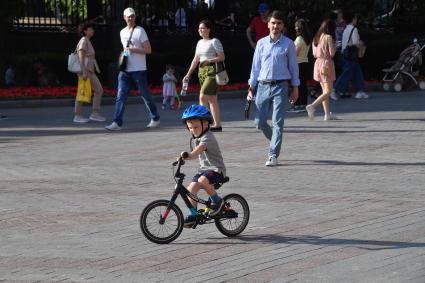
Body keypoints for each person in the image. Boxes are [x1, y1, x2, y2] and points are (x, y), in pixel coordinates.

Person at [247, 10, 299, 167]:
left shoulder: (288, 44)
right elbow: (255, 68)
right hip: (262, 86)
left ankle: (273, 154)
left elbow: (293, 67)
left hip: (281, 87)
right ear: (268, 24)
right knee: (259, 122)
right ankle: (276, 139)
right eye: (273, 22)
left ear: (283, 26)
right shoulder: (261, 43)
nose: (276, 26)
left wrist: (295, 88)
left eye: (279, 23)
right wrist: (251, 87)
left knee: (278, 122)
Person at [105, 7, 160, 131]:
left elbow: (148, 50)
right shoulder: (122, 32)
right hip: (125, 70)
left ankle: (155, 118)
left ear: (135, 17)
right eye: (128, 16)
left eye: (133, 16)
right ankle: (117, 122)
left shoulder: (140, 31)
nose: (131, 18)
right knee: (121, 96)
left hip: (139, 69)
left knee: (145, 95)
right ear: (124, 17)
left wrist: (133, 50)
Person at [179, 104, 226, 227]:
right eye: (190, 127)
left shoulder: (207, 137)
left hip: (217, 170)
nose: (192, 130)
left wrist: (188, 155)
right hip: (204, 171)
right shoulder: (196, 138)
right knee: (191, 188)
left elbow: (196, 152)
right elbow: (192, 154)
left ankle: (218, 202)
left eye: (195, 126)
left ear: (205, 124)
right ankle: (193, 214)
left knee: (203, 180)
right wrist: (181, 159)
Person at [182, 20, 225, 132]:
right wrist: (188, 74)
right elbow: (196, 59)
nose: (200, 30)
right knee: (212, 99)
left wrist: (208, 60)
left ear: (208, 29)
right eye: (199, 28)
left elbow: (222, 57)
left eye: (202, 28)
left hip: (212, 71)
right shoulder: (199, 43)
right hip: (201, 72)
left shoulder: (214, 41)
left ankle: (204, 123)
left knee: (202, 96)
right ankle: (217, 125)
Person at [73, 22, 106, 123]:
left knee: (97, 90)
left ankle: (93, 113)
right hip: (86, 70)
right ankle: (78, 115)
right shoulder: (84, 40)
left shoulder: (87, 40)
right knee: (84, 91)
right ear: (85, 31)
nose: (93, 31)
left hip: (89, 70)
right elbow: (81, 54)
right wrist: (83, 70)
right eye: (91, 29)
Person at [305, 19, 337, 121]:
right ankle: (312, 106)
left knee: (324, 90)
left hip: (318, 63)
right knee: (329, 90)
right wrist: (335, 46)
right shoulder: (328, 37)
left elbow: (314, 54)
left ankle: (327, 114)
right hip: (326, 64)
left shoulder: (317, 37)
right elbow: (332, 53)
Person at [332, 12, 368, 100]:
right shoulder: (354, 29)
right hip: (352, 54)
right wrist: (361, 43)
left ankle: (360, 91)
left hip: (345, 54)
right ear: (353, 19)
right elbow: (355, 42)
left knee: (357, 72)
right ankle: (334, 89)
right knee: (347, 73)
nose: (356, 20)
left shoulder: (346, 29)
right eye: (355, 18)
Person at [288, 18, 311, 112]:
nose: (294, 28)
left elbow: (295, 53)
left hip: (298, 64)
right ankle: (303, 104)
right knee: (303, 86)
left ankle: (297, 105)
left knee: (296, 85)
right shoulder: (307, 39)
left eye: (296, 26)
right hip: (305, 62)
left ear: (298, 28)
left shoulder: (299, 39)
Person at [330, 9, 347, 100]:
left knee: (341, 69)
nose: (339, 15)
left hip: (341, 48)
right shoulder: (333, 24)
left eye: (340, 13)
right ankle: (334, 89)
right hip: (335, 48)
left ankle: (339, 89)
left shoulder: (344, 24)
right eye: (338, 14)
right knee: (335, 70)